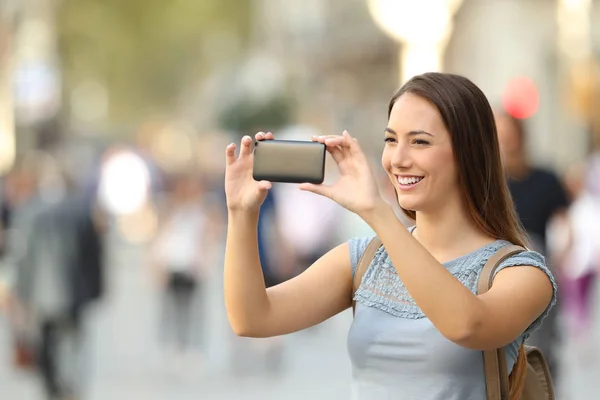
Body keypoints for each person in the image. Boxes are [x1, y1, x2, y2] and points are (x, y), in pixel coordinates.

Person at [223, 72, 556, 399]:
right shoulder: (363, 260)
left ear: (468, 152)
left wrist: (377, 211)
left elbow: (466, 325)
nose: (397, 159)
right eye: (391, 140)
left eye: (420, 141)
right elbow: (252, 317)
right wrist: (241, 213)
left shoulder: (521, 273)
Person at [494, 111, 568, 378]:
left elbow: (564, 223)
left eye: (509, 135)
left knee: (541, 344)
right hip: (497, 268)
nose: (506, 142)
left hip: (538, 263)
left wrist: (561, 257)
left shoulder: (546, 179)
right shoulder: (489, 183)